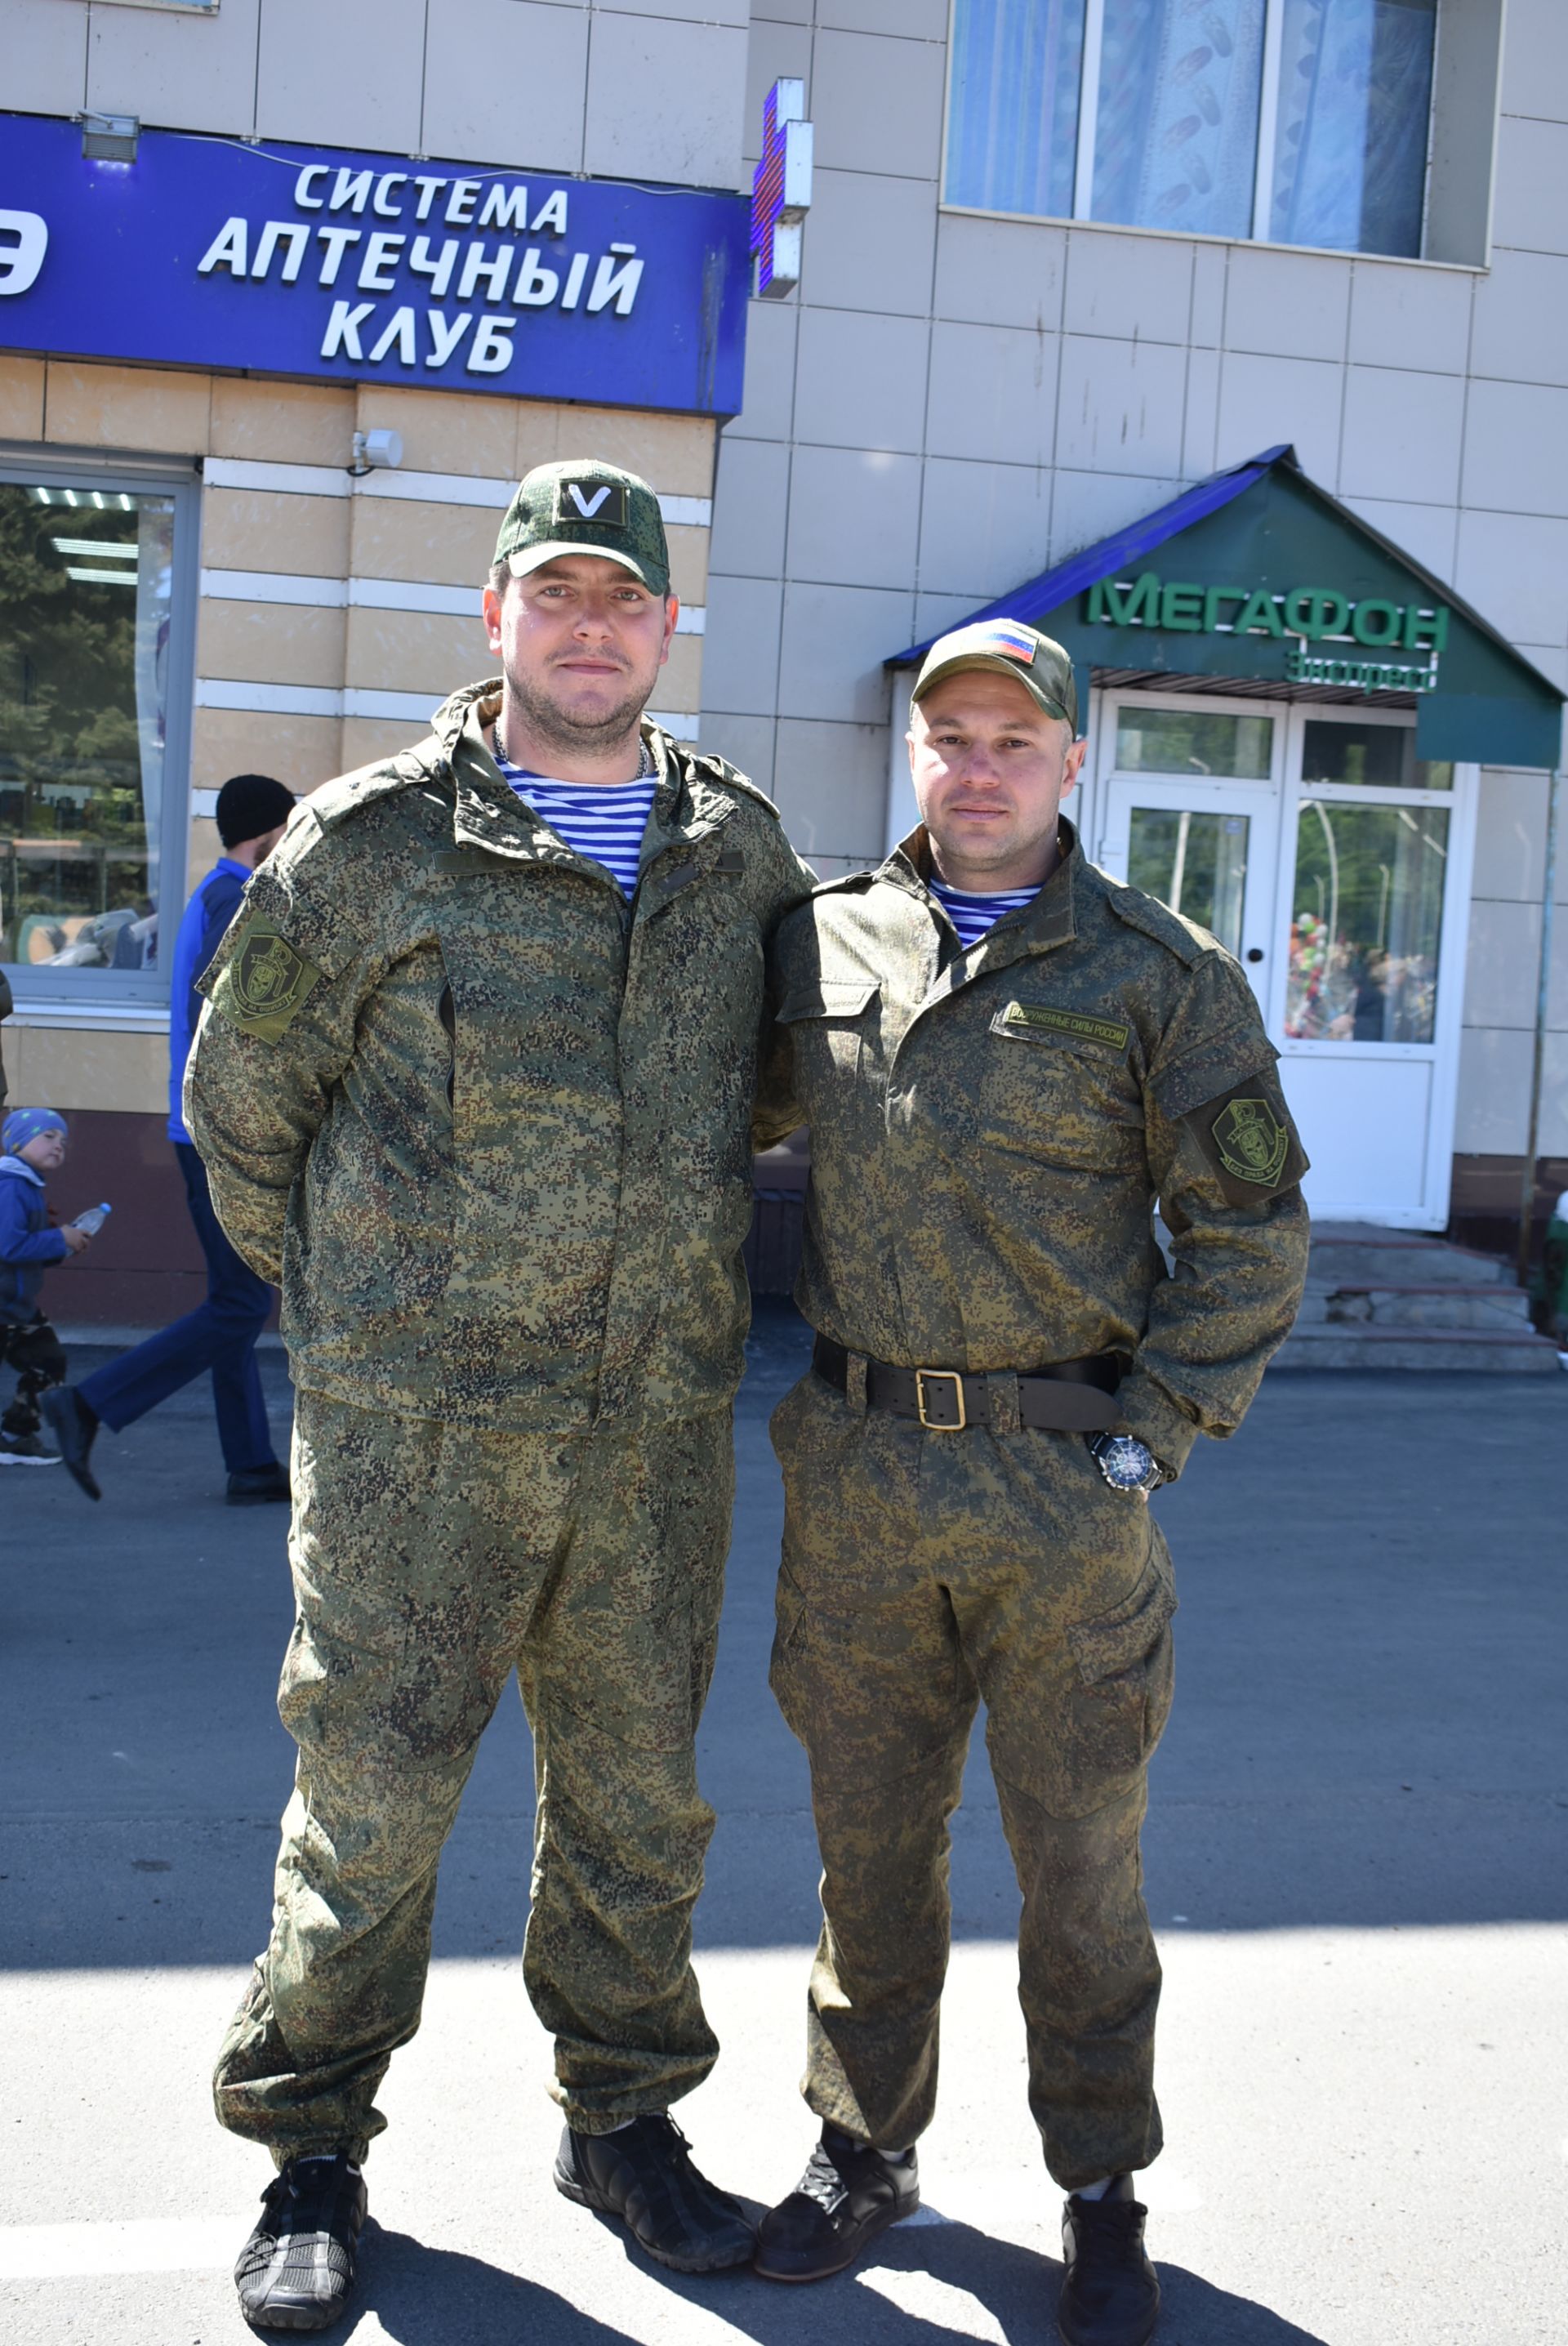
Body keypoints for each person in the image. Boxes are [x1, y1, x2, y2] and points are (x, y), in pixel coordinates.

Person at [185, 459, 817, 2333]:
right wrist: (372, 1321)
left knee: (639, 1795)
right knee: (369, 1791)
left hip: (647, 1430)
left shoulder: (740, 851)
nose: (592, 627)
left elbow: (768, 1098)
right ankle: (311, 2149)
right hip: (414, 1444)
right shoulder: (369, 843)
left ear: (664, 628)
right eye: (557, 594)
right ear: (495, 617)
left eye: (625, 599)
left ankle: (621, 2120)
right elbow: (243, 1110)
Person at [751, 620, 1310, 2345]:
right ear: (915, 758)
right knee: (866, 1850)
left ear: (1072, 760)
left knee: (1080, 1857)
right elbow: (724, 1131)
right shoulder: (821, 938)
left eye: (1013, 739)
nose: (976, 766)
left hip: (1063, 1484)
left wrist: (1153, 1434)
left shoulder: (1160, 968)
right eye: (949, 739)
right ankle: (865, 2146)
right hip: (854, 1473)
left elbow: (1251, 1227)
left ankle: (1099, 2183)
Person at [42, 775, 296, 1506]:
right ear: (268, 833)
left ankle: (249, 1463)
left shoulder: (220, 895)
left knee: (234, 1301)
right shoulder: (237, 902)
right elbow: (250, 1025)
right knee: (241, 1307)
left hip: (205, 1133)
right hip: (220, 1138)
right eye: (294, 827)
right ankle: (87, 1405)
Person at [1, 1107, 91, 1465]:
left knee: (49, 1364)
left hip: (17, 1306)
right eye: (48, 1136)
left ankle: (15, 1435)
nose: (59, 1145)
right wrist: (58, 1239)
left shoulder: (27, 1185)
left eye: (64, 1141)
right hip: (4, 1305)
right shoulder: (10, 1186)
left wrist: (63, 1244)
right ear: (19, 1141)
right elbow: (8, 1246)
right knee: (48, 1363)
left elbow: (25, 1249)